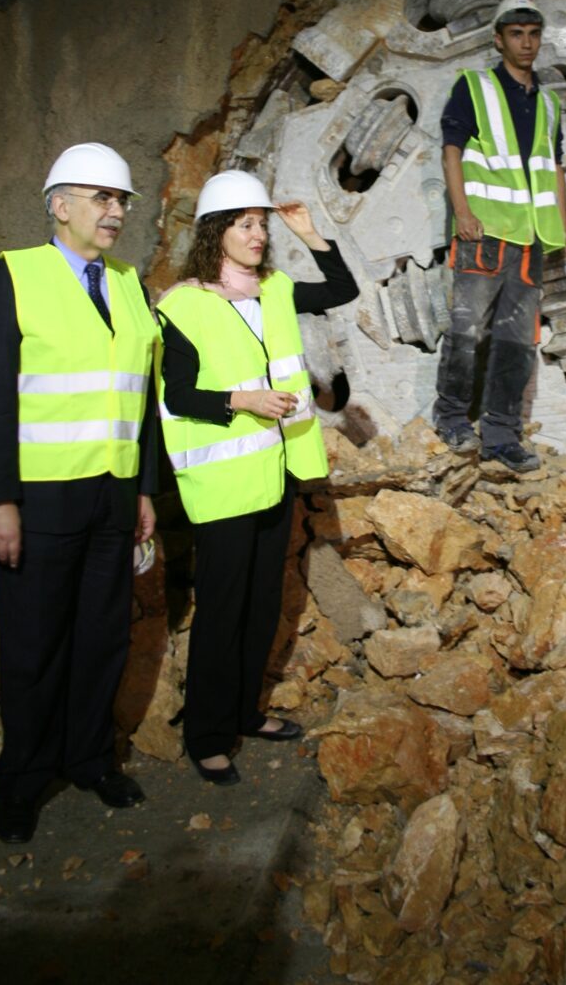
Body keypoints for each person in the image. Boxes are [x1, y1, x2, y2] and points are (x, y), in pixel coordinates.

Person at [0, 142, 159, 844]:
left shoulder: (130, 284)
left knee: (102, 638)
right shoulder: (12, 277)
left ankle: (88, 759)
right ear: (59, 205)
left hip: (111, 497)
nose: (116, 212)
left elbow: (139, 400)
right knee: (34, 644)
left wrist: (142, 490)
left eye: (122, 202)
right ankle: (20, 781)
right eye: (102, 199)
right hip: (40, 500)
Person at [156, 170, 357, 785]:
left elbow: (341, 290)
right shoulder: (182, 306)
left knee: (263, 603)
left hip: (276, 474)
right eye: (247, 224)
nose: (259, 236)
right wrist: (242, 400)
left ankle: (246, 714)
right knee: (221, 611)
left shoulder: (273, 290)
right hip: (221, 488)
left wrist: (311, 232)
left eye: (263, 225)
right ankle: (208, 736)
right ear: (217, 232)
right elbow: (180, 394)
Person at [433, 0, 566, 474]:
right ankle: (451, 419)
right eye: (516, 34)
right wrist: (462, 211)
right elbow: (452, 151)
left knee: (517, 342)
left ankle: (500, 436)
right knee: (466, 331)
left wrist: (564, 225)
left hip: (530, 240)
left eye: (534, 34)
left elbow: (553, 167)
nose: (527, 43)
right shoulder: (474, 86)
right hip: (485, 232)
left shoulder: (550, 103)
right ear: (499, 39)